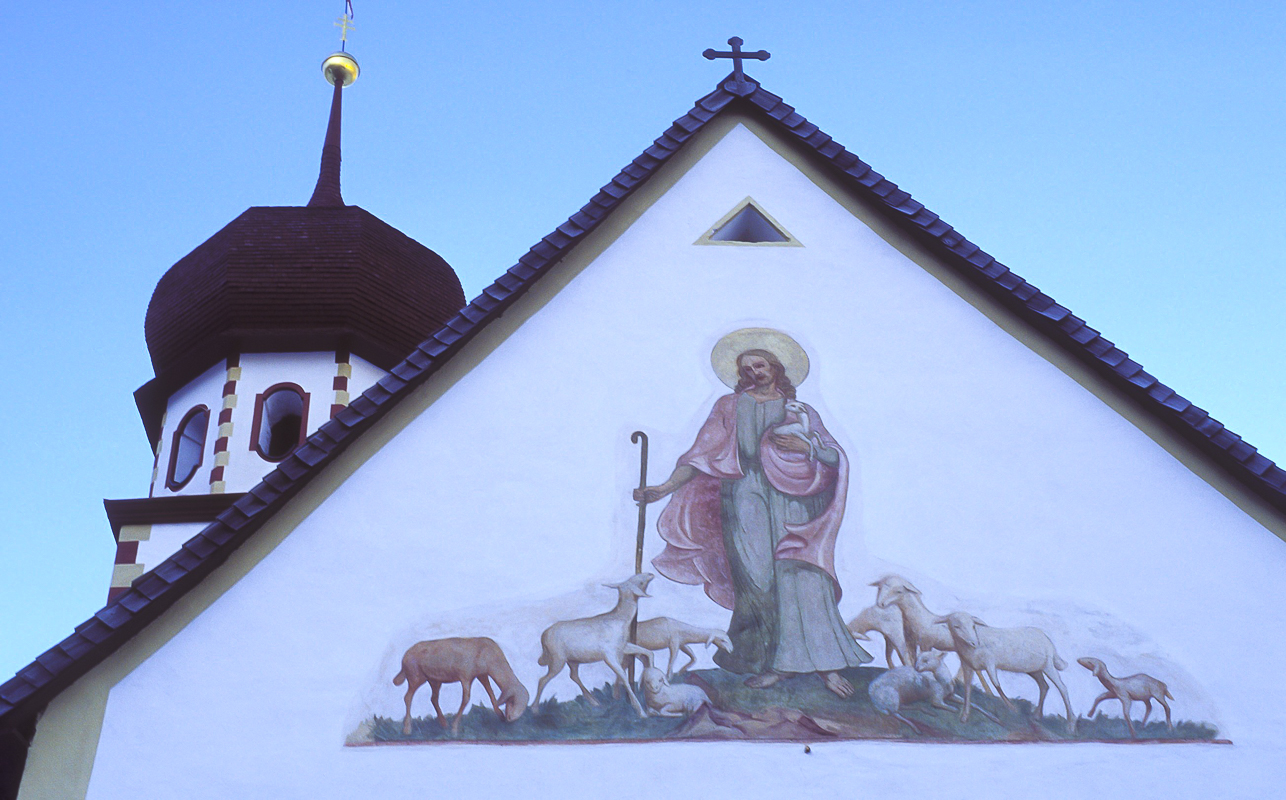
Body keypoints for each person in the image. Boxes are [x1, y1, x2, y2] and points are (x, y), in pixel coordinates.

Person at [636, 341, 870, 697]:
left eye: (760, 366)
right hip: (744, 497)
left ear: (776, 368)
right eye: (746, 369)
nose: (753, 373)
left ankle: (827, 666)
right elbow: (699, 455)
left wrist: (808, 448)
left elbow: (835, 456)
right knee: (756, 581)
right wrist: (664, 488)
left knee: (803, 577)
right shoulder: (728, 406)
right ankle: (773, 664)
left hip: (795, 501)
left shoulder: (799, 410)